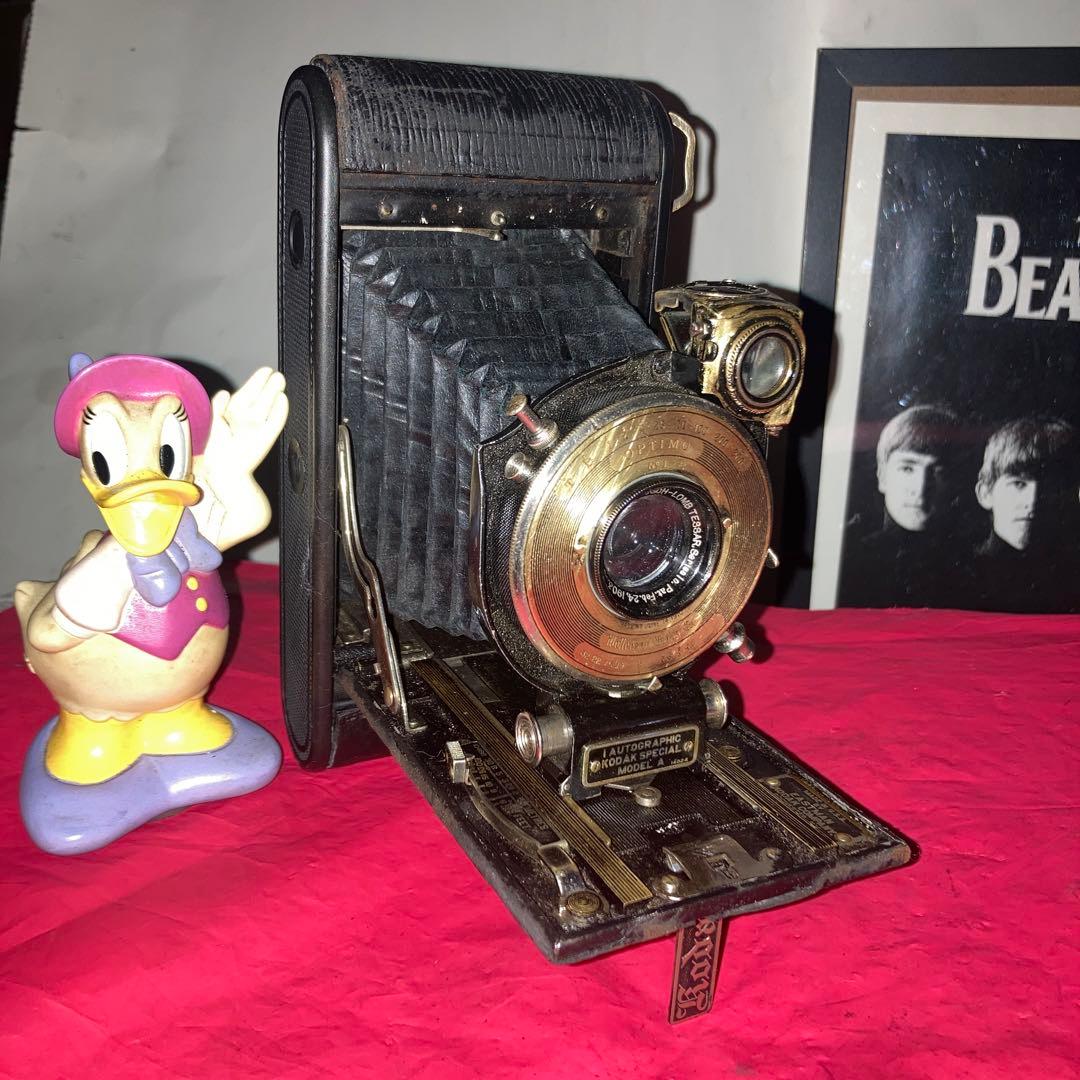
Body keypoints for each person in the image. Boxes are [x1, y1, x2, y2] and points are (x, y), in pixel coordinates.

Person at [839, 403, 964, 607]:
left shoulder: (969, 565)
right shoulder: (849, 560)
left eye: (938, 471)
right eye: (907, 469)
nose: (920, 487)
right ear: (882, 476)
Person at [971, 416, 1079, 612]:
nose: (1032, 501)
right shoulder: (962, 579)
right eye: (1018, 484)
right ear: (985, 494)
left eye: (1050, 487)